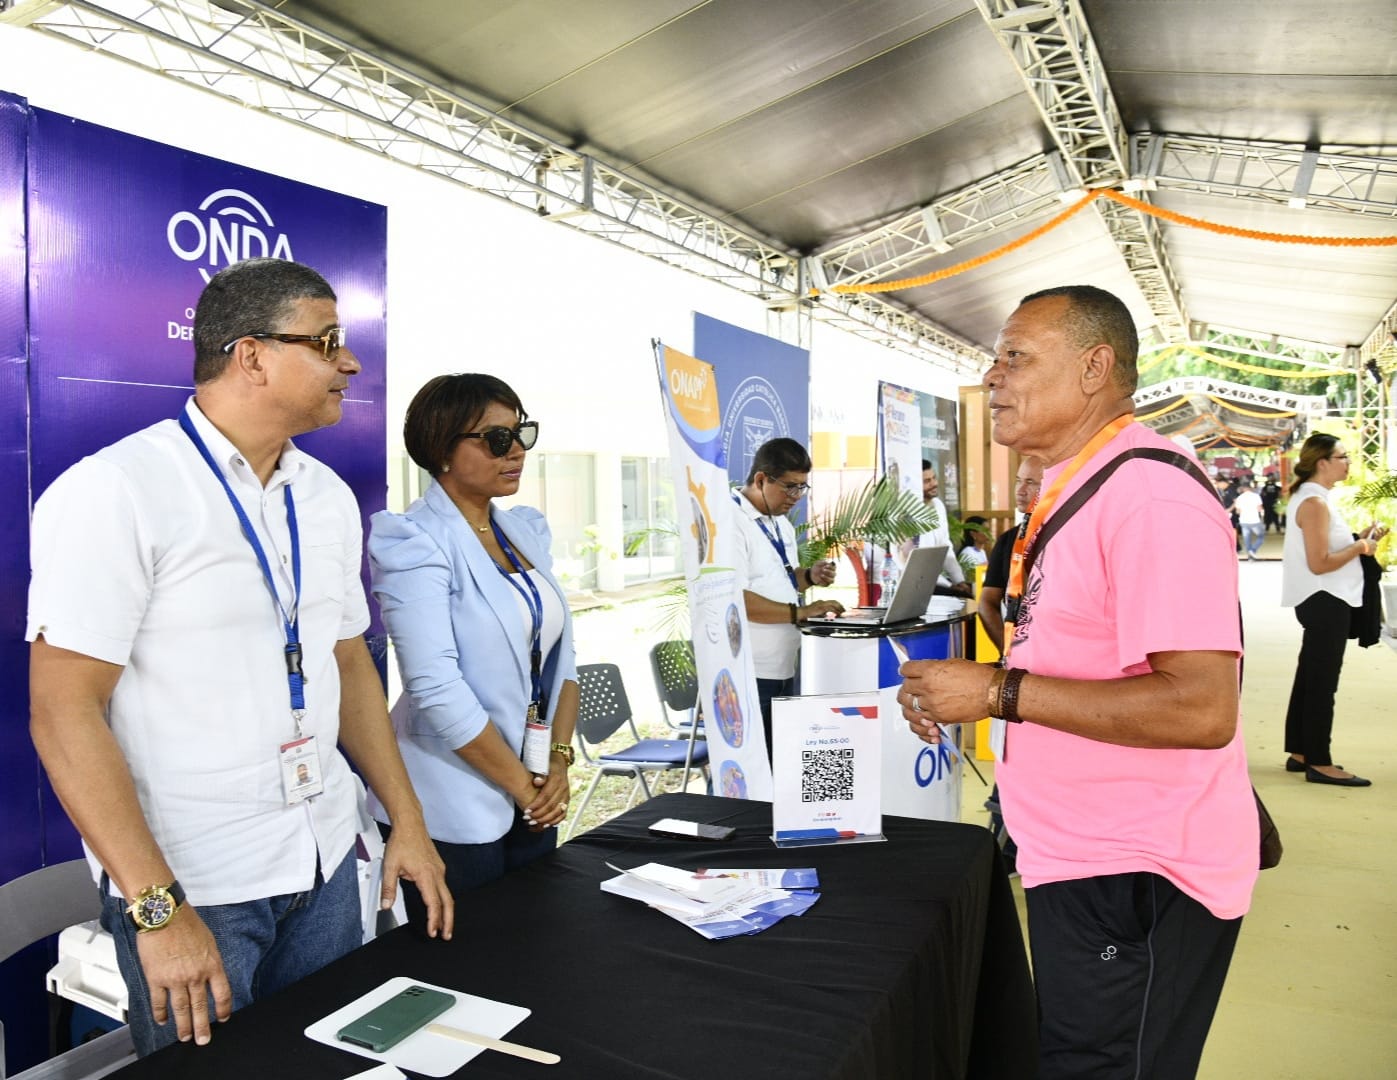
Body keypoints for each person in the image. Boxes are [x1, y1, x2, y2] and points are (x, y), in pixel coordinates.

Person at [26, 258, 451, 1056]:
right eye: (327, 341)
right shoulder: (117, 491)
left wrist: (406, 820)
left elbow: (347, 663)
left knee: (326, 1064)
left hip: (325, 860)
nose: (350, 363)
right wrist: (157, 911)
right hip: (197, 886)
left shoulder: (323, 496)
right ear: (250, 354)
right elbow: (61, 711)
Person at [896, 285, 1256, 1079]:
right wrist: (978, 685)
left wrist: (995, 693)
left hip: (1135, 871)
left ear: (1095, 368)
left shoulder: (1149, 494)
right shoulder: (1083, 484)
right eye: (996, 359)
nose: (994, 377)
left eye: (1016, 356)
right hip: (1082, 855)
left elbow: (1200, 706)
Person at [367, 374, 578, 920]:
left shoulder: (525, 531)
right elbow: (435, 689)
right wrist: (525, 788)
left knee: (535, 949)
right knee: (470, 974)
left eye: (519, 434)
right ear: (441, 449)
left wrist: (557, 761)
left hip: (531, 790)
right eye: (495, 439)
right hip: (451, 802)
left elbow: (563, 661)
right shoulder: (411, 539)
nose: (517, 453)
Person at [1280, 433, 1385, 786]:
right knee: (1323, 682)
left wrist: (1360, 540)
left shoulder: (1315, 499)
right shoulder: (1314, 503)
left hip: (1323, 599)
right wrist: (1361, 548)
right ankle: (1319, 762)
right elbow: (1320, 563)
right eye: (1343, 456)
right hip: (1325, 599)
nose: (1348, 461)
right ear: (1322, 462)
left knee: (1311, 676)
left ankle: (1301, 751)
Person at [732, 438, 843, 757]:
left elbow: (780, 579)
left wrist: (809, 577)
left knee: (778, 768)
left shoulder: (778, 522)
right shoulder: (731, 522)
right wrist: (804, 612)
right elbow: (737, 600)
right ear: (761, 479)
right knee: (745, 772)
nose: (796, 497)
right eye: (790, 487)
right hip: (749, 672)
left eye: (802, 488)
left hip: (785, 667)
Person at [977, 457, 1043, 656]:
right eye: (1018, 480)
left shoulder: (1067, 536)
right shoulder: (1008, 540)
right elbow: (987, 603)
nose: (1020, 490)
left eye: (1030, 483)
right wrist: (1007, 651)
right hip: (1021, 654)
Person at [903, 459, 973, 598]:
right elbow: (916, 565)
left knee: (973, 593)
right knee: (963, 598)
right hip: (913, 584)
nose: (934, 483)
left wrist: (959, 580)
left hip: (936, 582)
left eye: (934, 478)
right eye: (927, 481)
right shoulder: (907, 514)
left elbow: (945, 547)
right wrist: (950, 586)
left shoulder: (938, 505)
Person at [1234, 481, 1265, 560]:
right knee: (1261, 536)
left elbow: (1238, 511)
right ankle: (1253, 550)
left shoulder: (1239, 498)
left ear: (1243, 489)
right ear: (1250, 488)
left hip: (1244, 520)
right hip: (1254, 519)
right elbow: (1259, 508)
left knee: (1247, 538)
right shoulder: (1256, 496)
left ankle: (1250, 553)